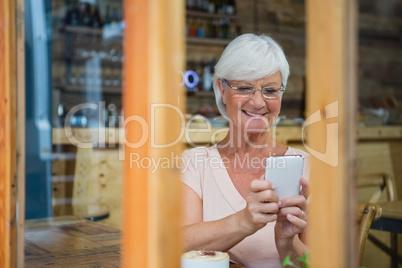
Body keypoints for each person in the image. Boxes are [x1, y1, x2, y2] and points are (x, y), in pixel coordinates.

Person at [181, 33, 310, 268]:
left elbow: (318, 263)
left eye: (270, 90)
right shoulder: (195, 163)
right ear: (222, 89)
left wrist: (287, 244)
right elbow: (178, 247)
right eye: (245, 88)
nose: (259, 102)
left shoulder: (307, 169)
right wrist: (245, 221)